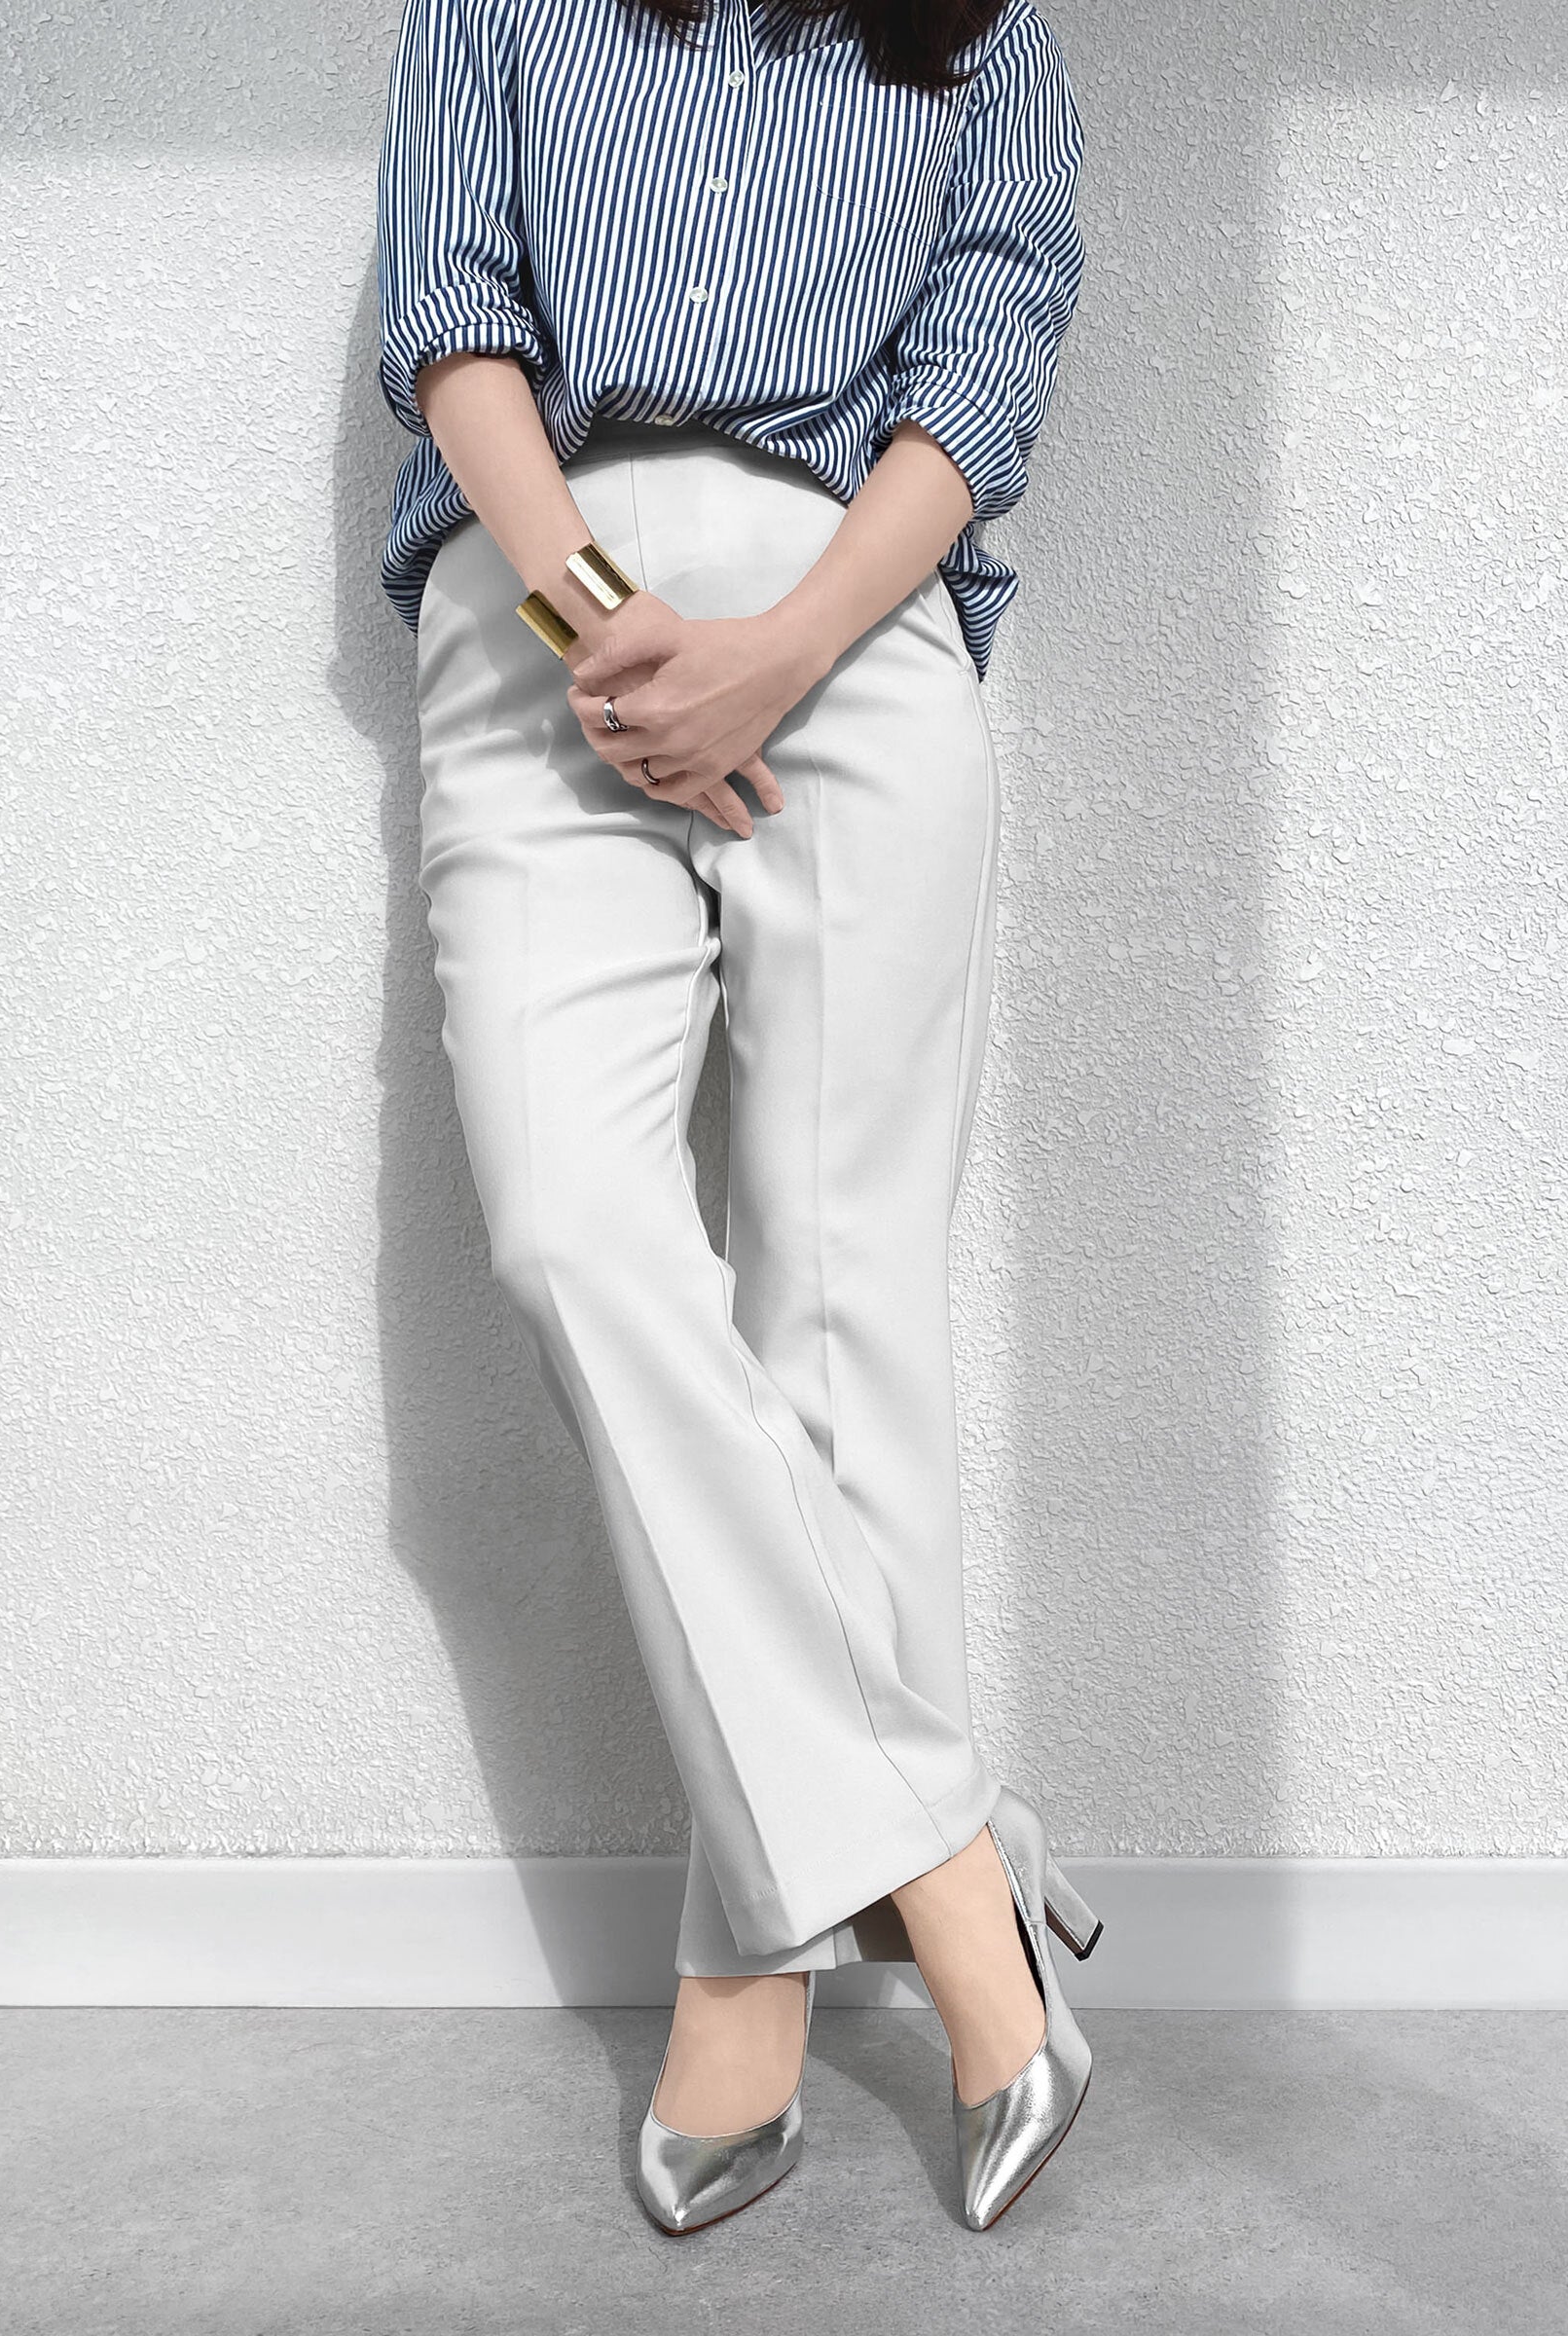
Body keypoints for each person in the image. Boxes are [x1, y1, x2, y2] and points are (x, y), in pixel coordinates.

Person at [374, 0, 1096, 2234]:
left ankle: (741, 1964)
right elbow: (452, 321)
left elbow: (984, 366)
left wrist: (774, 649)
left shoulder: (989, 41)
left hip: (850, 626)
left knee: (840, 1297)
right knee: (571, 1226)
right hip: (542, 618)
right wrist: (608, 626)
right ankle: (956, 1878)